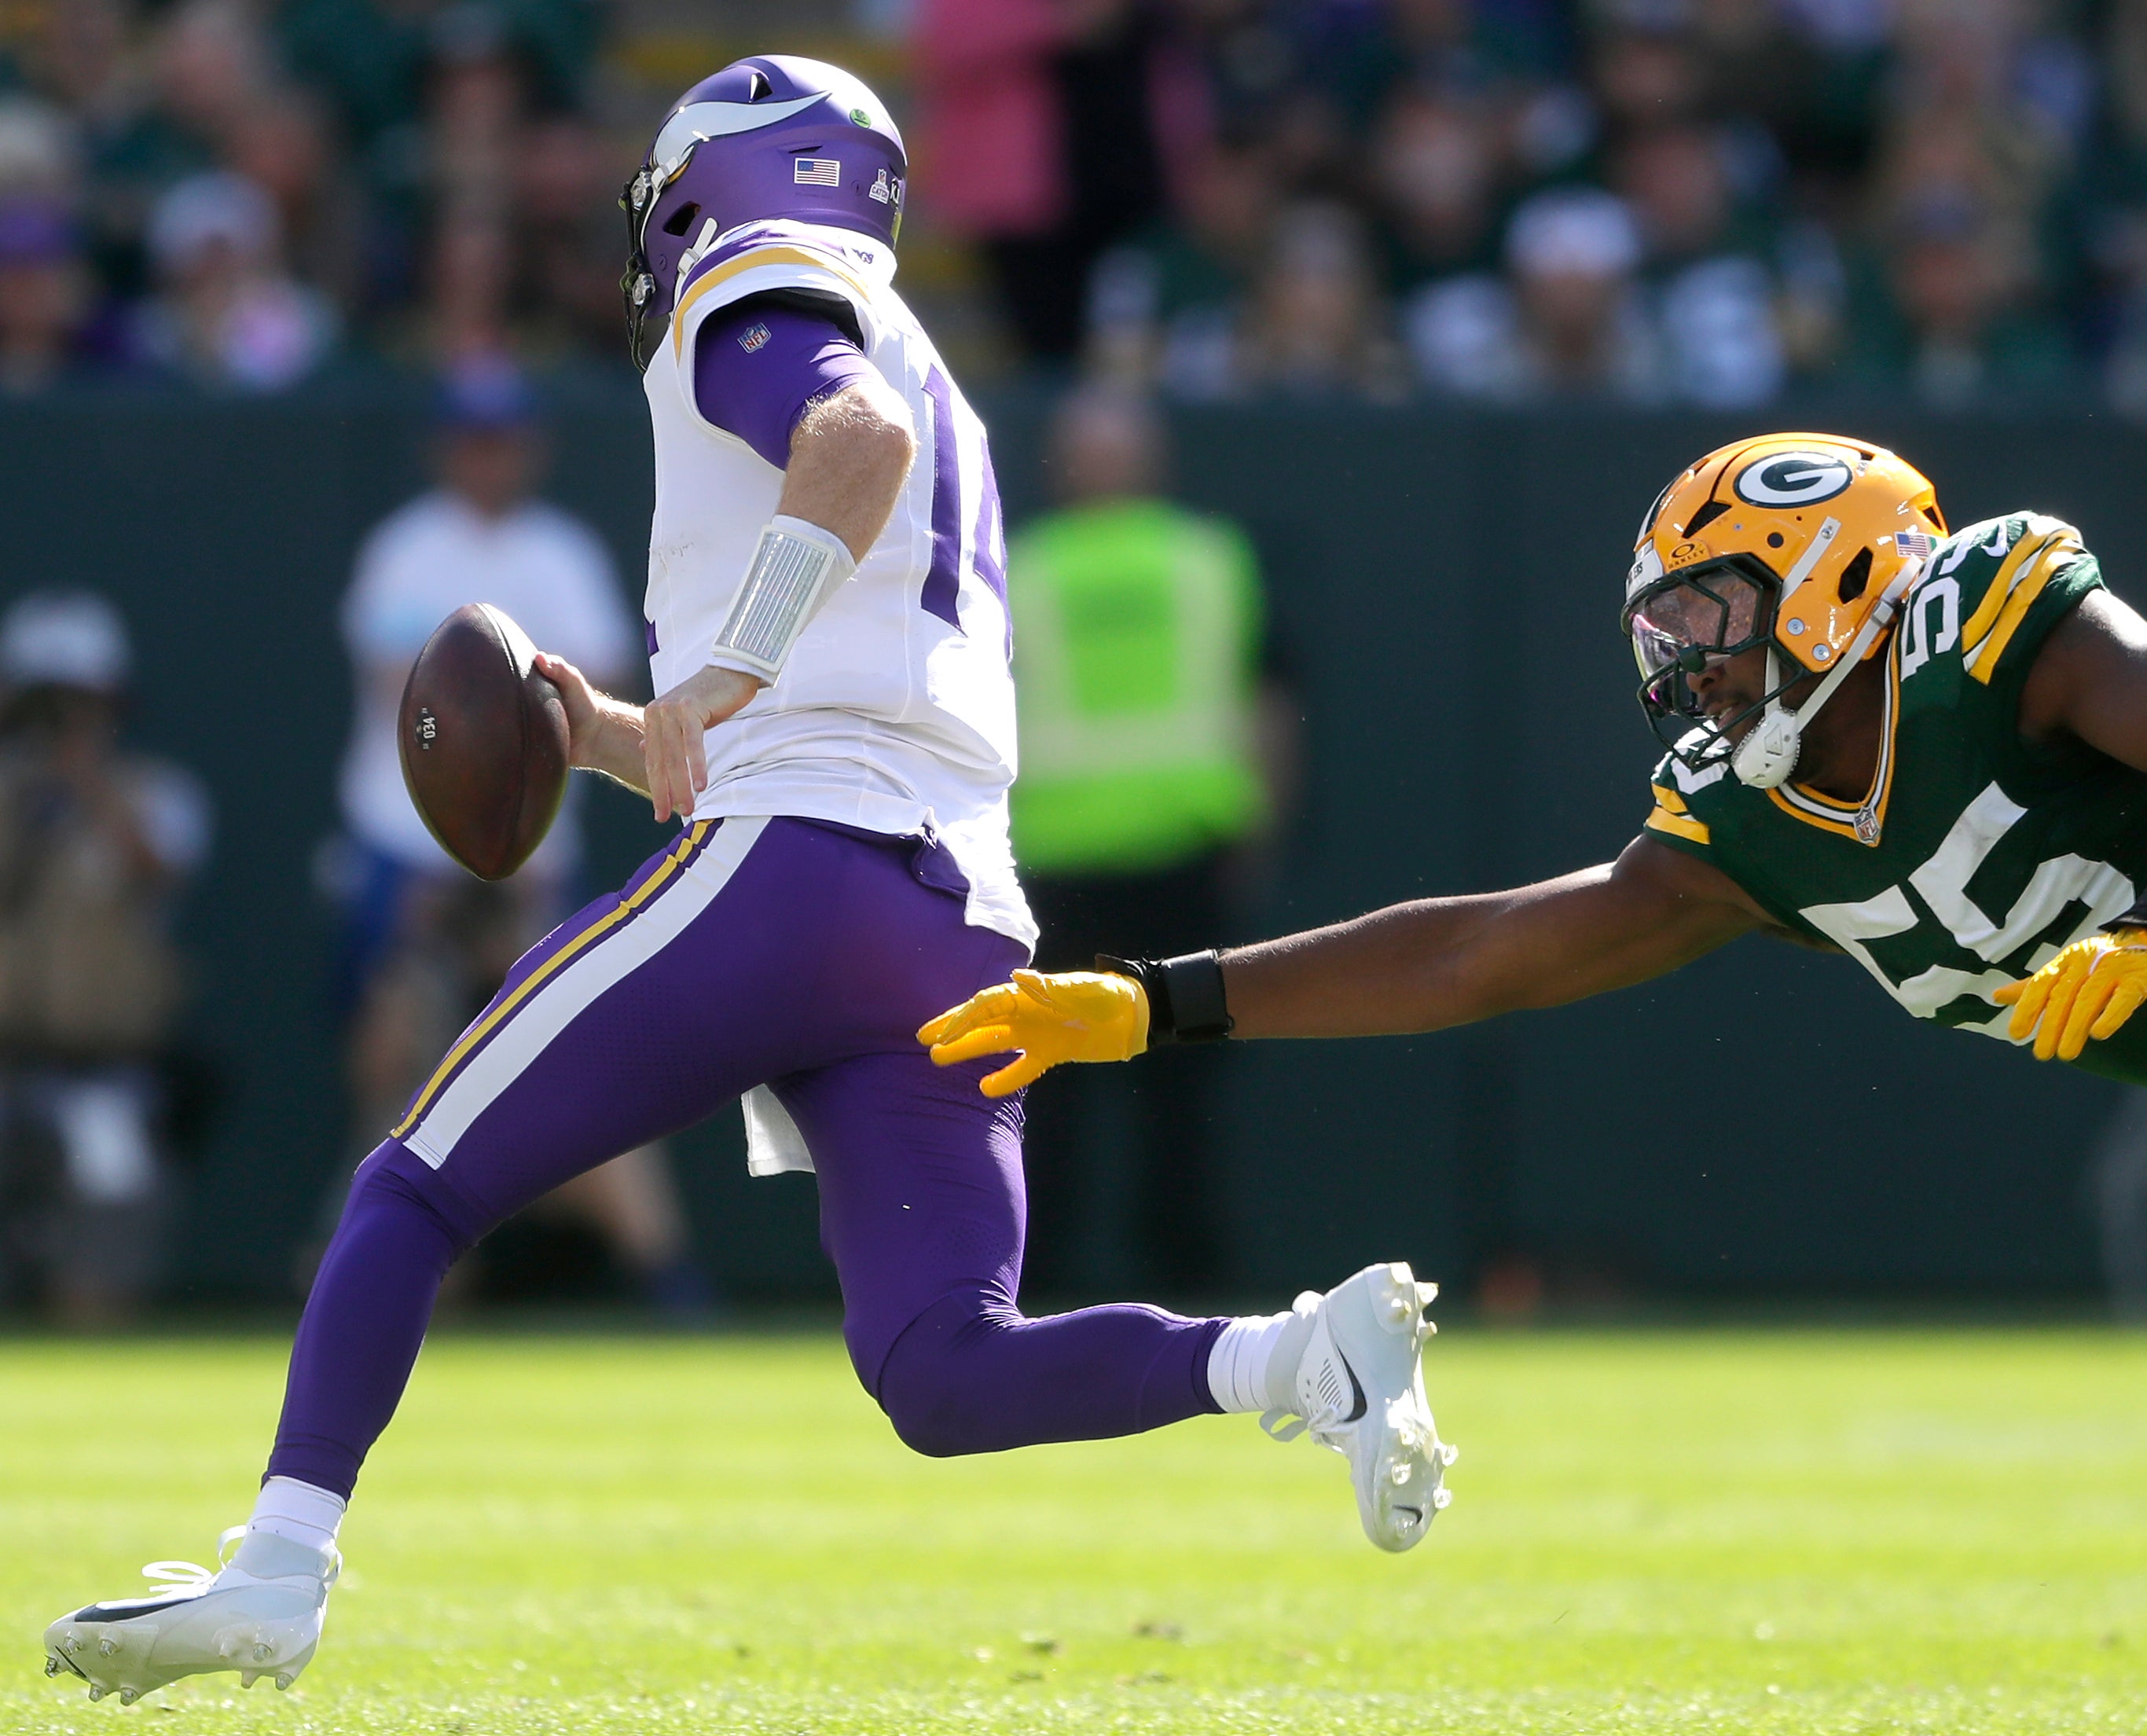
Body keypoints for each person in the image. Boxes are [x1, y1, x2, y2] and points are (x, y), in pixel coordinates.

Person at [42, 57, 1452, 1708]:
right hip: (954, 914)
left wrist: (729, 670)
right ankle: (1300, 1355)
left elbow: (844, 450)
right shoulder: (932, 364)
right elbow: (826, 669)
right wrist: (613, 730)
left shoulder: (766, 282)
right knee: (942, 1365)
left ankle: (280, 1569)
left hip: (801, 869)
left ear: (714, 180)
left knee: (412, 1184)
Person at [920, 431, 2147, 1236]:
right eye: (1666, 629)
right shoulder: (1752, 823)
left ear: (1834, 570)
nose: (1687, 661)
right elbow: (1478, 953)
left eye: (1709, 610)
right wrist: (1158, 1001)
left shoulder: (1984, 634)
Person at [325, 356, 706, 1314]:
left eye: (502, 440)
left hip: (528, 855)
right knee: (397, 1068)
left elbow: (594, 701)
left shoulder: (558, 554)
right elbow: (414, 707)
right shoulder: (407, 549)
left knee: (565, 1062)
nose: (487, 459)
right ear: (445, 450)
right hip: (406, 846)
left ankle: (663, 1276)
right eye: (472, 440)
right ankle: (396, 1282)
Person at [1007, 386, 1281, 1291]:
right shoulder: (1208, 558)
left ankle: (1036, 1284)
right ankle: (1189, 1283)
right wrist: (1259, 822)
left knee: (1058, 1091)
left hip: (1079, 861)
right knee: (1175, 1092)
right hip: (1158, 859)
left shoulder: (1020, 568)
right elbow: (1269, 701)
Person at [0, 592, 210, 1327]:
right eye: (45, 705)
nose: (60, 723)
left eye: (79, 703)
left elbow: (159, 868)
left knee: (102, 1249)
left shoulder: (158, 794)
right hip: (8, 1065)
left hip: (103, 1075)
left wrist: (83, 777)